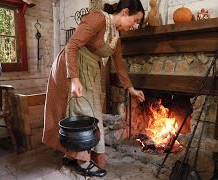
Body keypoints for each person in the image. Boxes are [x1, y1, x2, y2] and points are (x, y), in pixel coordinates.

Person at [42, 0, 145, 177]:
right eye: (135, 20)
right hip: (72, 66)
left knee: (91, 114)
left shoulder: (116, 36)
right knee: (81, 113)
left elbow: (119, 64)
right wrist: (74, 79)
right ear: (126, 12)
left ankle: (73, 155)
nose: (135, 26)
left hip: (90, 70)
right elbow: (72, 46)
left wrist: (130, 88)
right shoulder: (98, 18)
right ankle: (82, 162)